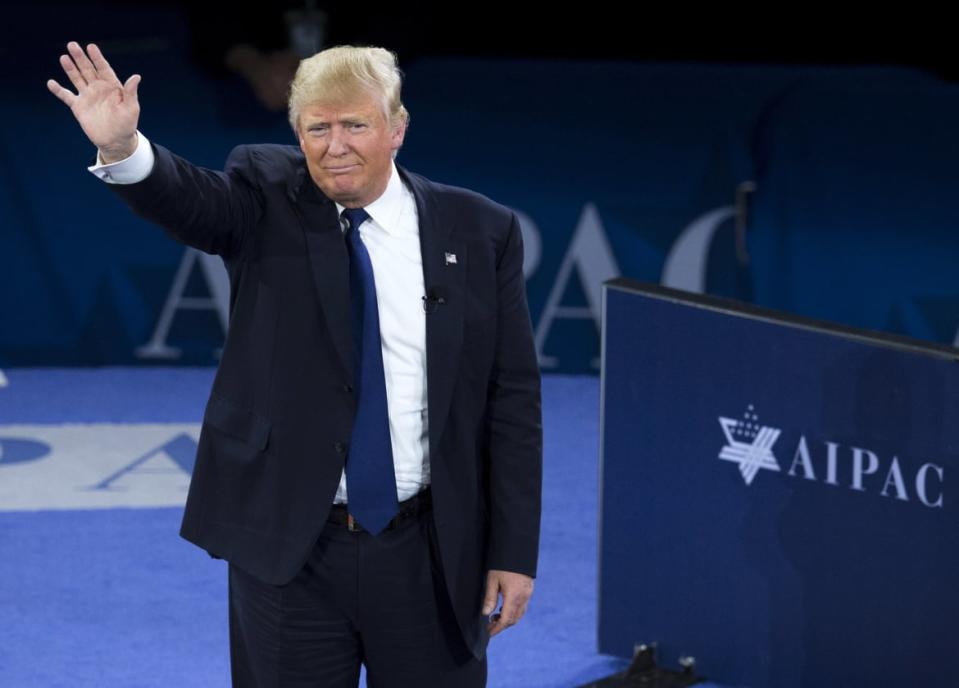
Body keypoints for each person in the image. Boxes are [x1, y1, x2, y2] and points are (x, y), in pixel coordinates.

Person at [48, 41, 542, 687]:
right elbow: (192, 201)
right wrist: (122, 149)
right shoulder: (267, 195)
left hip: (430, 545)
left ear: (396, 128)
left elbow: (511, 398)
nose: (335, 145)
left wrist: (510, 551)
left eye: (355, 125)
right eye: (317, 128)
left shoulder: (478, 229)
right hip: (288, 546)